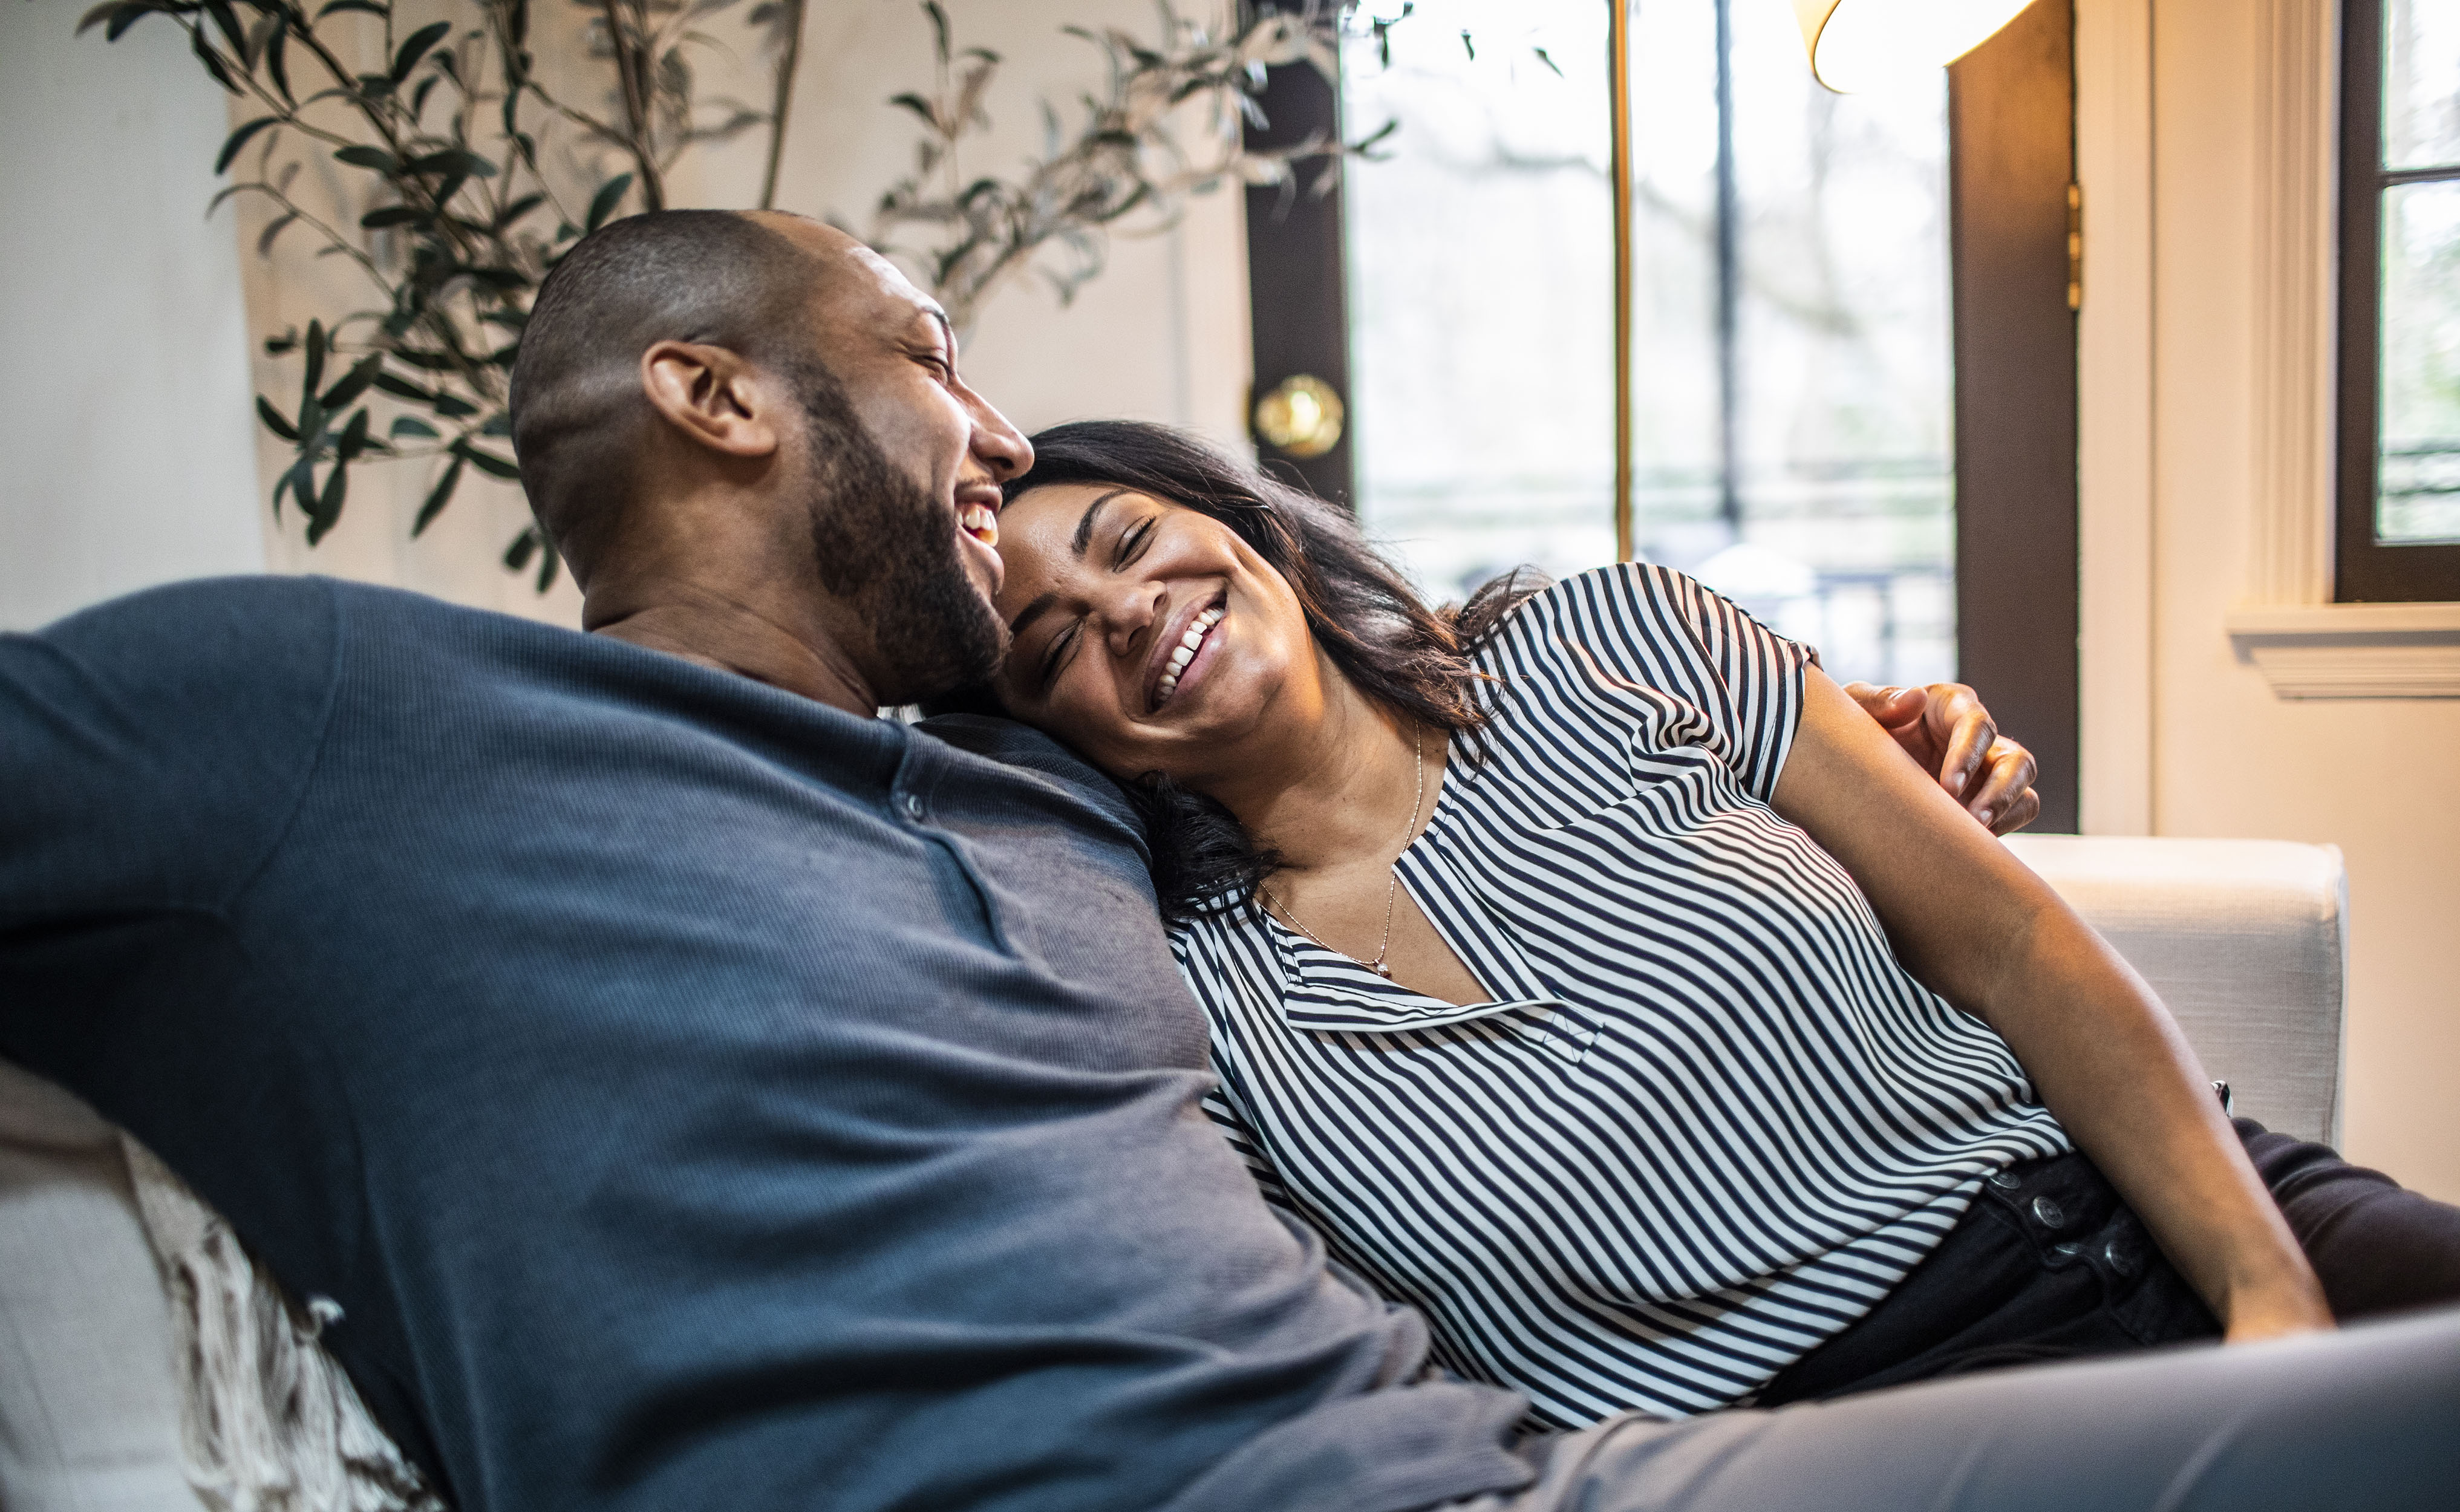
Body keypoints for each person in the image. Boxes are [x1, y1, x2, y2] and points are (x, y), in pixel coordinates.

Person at [0, 209, 2453, 1512]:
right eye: (932, 337)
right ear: (718, 395)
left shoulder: (1035, 801)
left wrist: (1877, 740)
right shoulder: (333, 727)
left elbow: (1400, 703)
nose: (988, 431)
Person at [971, 418, 2460, 1426]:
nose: (1124, 608)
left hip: (2157, 1214)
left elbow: (2014, 943)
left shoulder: (1614, 634)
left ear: (1236, 522)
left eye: (1128, 535)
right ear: (1068, 739)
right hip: (1862, 1434)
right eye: (1051, 643)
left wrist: (2268, 1294)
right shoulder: (1191, 996)